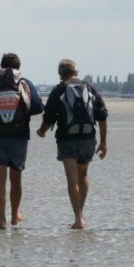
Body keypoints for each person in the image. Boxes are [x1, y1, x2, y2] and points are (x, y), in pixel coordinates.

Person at [36, 59, 108, 229]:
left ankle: (77, 219)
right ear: (76, 72)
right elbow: (102, 115)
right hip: (87, 138)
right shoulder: (89, 88)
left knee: (72, 179)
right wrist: (103, 142)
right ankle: (80, 216)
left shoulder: (60, 89)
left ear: (61, 74)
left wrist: (42, 131)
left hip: (67, 139)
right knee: (83, 175)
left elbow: (49, 116)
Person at [0, 53, 44, 230]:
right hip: (19, 137)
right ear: (18, 67)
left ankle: (1, 221)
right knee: (16, 179)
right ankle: (14, 216)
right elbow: (37, 106)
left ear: (0, 65)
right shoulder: (24, 83)